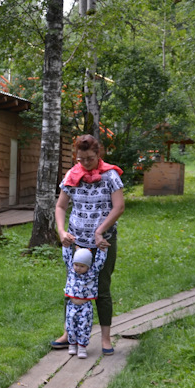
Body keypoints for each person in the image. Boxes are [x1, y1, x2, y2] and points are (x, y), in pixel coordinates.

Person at [51, 134, 125, 355]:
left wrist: (100, 231)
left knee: (101, 289)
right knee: (72, 287)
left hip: (103, 243)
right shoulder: (72, 175)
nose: (84, 163)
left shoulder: (110, 175)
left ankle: (105, 338)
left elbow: (119, 207)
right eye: (81, 158)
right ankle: (68, 334)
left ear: (98, 154)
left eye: (90, 158)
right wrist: (62, 231)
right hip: (75, 242)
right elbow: (61, 207)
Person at [62, 246, 107, 359]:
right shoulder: (71, 271)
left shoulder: (92, 273)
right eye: (76, 265)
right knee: (70, 325)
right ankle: (72, 344)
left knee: (84, 326)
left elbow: (99, 262)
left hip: (85, 306)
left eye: (82, 266)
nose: (78, 268)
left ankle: (82, 347)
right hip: (72, 306)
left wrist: (102, 250)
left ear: (88, 266)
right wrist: (66, 245)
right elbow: (67, 257)